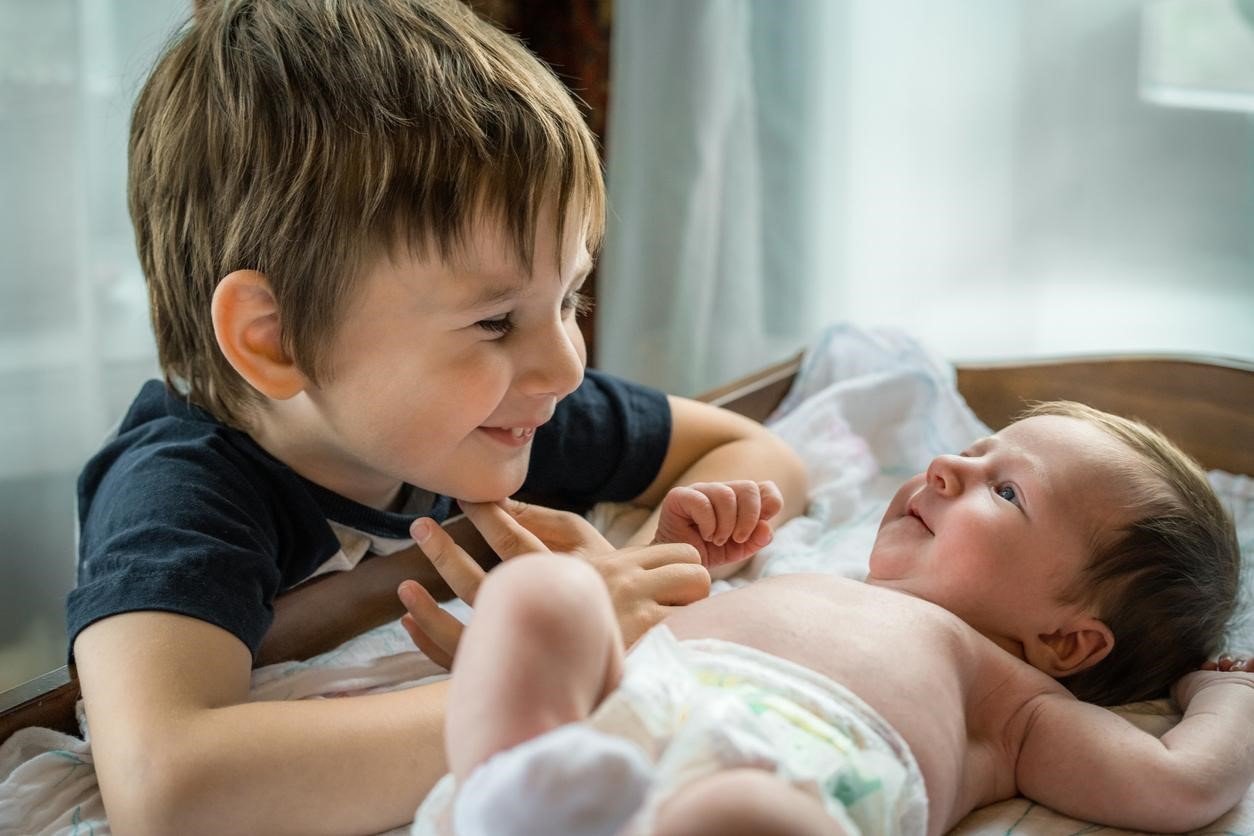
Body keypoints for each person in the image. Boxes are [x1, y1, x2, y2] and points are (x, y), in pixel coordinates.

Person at [66, 1, 807, 832]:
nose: (566, 366)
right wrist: (520, 683)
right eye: (496, 320)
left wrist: (633, 572)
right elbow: (169, 790)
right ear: (275, 339)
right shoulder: (178, 491)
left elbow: (755, 448)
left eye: (570, 297)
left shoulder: (498, 413)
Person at [404, 401, 1250, 836]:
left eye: (1006, 491)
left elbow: (1179, 782)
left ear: (1065, 640)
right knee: (548, 595)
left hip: (765, 794)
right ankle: (516, 789)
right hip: (623, 726)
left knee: (742, 817)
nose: (949, 464)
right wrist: (677, 553)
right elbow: (640, 623)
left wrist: (1225, 694)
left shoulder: (1019, 703)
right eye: (975, 448)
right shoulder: (804, 571)